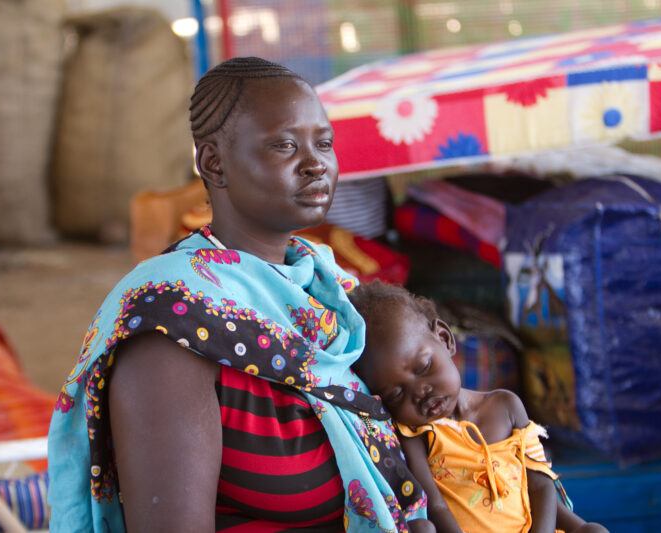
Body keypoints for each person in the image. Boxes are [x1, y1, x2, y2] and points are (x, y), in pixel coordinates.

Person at [47, 57, 433, 532]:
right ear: (214, 163)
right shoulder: (171, 326)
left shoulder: (329, 290)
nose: (316, 164)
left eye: (324, 143)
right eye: (285, 145)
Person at [348, 280, 609, 533]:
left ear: (445, 339)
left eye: (424, 367)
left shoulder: (506, 405)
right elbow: (435, 507)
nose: (420, 392)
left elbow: (541, 485)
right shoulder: (415, 434)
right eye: (396, 394)